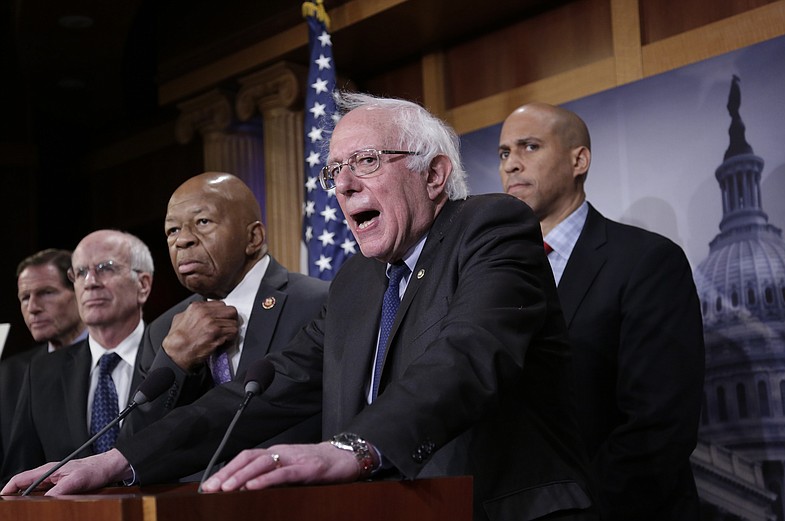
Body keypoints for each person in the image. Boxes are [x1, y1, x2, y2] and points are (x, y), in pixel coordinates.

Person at [3, 93, 596, 521]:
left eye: (367, 162)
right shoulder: (358, 282)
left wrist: (353, 447)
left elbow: (467, 357)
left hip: (497, 508)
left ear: (435, 174)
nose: (342, 185)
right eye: (333, 170)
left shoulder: (490, 228)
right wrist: (121, 459)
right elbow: (268, 386)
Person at [497, 102, 705, 521]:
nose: (511, 165)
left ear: (579, 160)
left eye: (529, 147)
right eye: (504, 153)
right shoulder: (494, 273)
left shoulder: (647, 261)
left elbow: (658, 426)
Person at [121, 172, 329, 443]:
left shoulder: (317, 302)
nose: (182, 240)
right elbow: (132, 444)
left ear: (253, 237)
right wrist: (174, 361)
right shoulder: (162, 330)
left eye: (202, 222)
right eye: (172, 230)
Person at [0, 230, 154, 484]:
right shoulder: (40, 372)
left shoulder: (173, 354)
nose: (90, 282)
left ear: (143, 284)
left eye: (106, 268)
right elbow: (20, 476)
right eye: (81, 273)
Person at [1, 249, 87, 464]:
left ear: (80, 291)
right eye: (24, 297)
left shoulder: (110, 360)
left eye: (46, 293)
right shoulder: (8, 374)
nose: (33, 308)